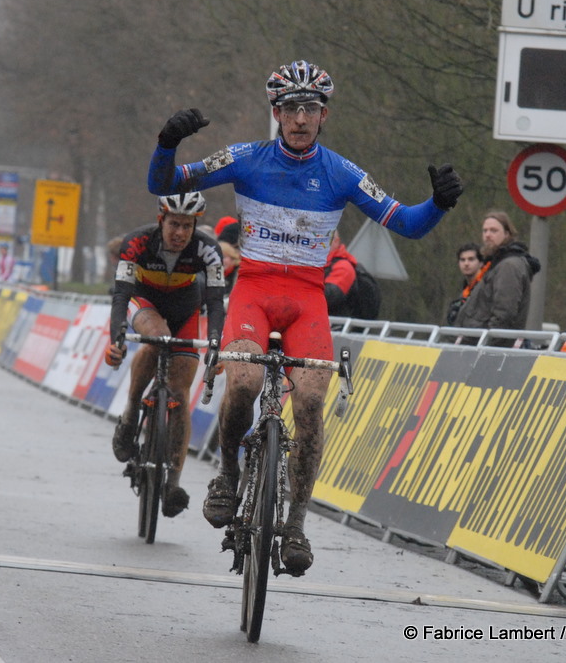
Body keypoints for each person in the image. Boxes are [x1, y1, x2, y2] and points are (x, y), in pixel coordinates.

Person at [147, 60, 462, 576]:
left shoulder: (341, 172)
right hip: (254, 290)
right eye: (290, 109)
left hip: (307, 299)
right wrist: (166, 143)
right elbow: (165, 183)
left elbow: (407, 223)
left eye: (310, 109)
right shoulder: (246, 158)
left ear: (324, 116)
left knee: (312, 401)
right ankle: (227, 477)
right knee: (244, 382)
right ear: (276, 113)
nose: (299, 119)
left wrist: (438, 205)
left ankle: (294, 524)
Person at [105, 192, 226, 519]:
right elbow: (121, 295)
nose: (180, 233)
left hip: (186, 308)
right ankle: (131, 414)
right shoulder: (137, 243)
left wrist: (215, 341)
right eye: (175, 224)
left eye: (188, 225)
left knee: (181, 388)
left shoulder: (208, 250)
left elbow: (216, 302)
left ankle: (172, 483)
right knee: (157, 335)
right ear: (162, 220)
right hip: (145, 303)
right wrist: (117, 337)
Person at [453, 212, 541, 334]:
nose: (487, 235)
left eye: (493, 231)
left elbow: (504, 314)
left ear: (507, 234)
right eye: (485, 231)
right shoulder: (495, 263)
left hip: (487, 347)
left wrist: (487, 343)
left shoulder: (508, 266)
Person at [445, 242, 484, 325]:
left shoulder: (486, 286)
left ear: (481, 263)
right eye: (462, 260)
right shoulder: (465, 290)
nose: (466, 264)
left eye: (471, 259)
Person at [323, 231, 359, 317]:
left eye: (324, 239)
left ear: (336, 241)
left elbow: (330, 297)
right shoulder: (315, 264)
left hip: (335, 326)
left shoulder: (344, 267)